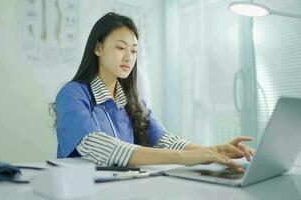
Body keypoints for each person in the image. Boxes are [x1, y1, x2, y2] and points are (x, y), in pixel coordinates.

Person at [51, 12, 254, 173]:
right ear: (98, 48)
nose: (129, 57)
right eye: (121, 48)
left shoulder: (133, 101)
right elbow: (100, 146)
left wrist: (213, 150)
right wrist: (186, 159)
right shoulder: (72, 95)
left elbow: (165, 141)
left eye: (133, 50)